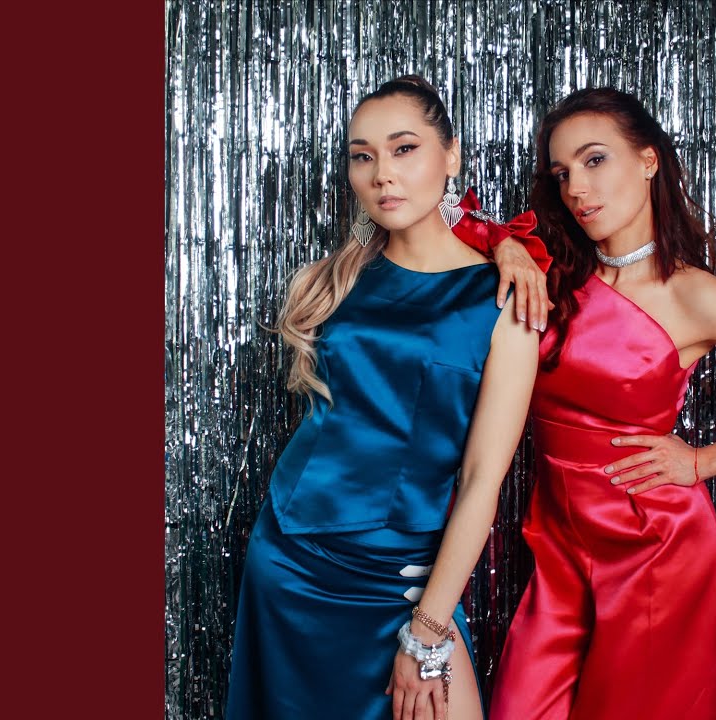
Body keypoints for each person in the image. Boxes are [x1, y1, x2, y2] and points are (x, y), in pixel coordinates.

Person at [464, 88, 716, 720]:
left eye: (595, 160)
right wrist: (506, 244)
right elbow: (443, 215)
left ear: (649, 161)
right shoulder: (550, 271)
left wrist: (699, 462)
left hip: (652, 548)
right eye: (562, 173)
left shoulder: (694, 295)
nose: (576, 189)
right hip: (558, 544)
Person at [225, 75, 539, 720]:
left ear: (451, 156)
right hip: (291, 557)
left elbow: (482, 478)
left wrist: (427, 630)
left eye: (404, 149)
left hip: (404, 575)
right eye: (362, 156)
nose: (382, 174)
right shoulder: (339, 279)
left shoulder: (505, 296)